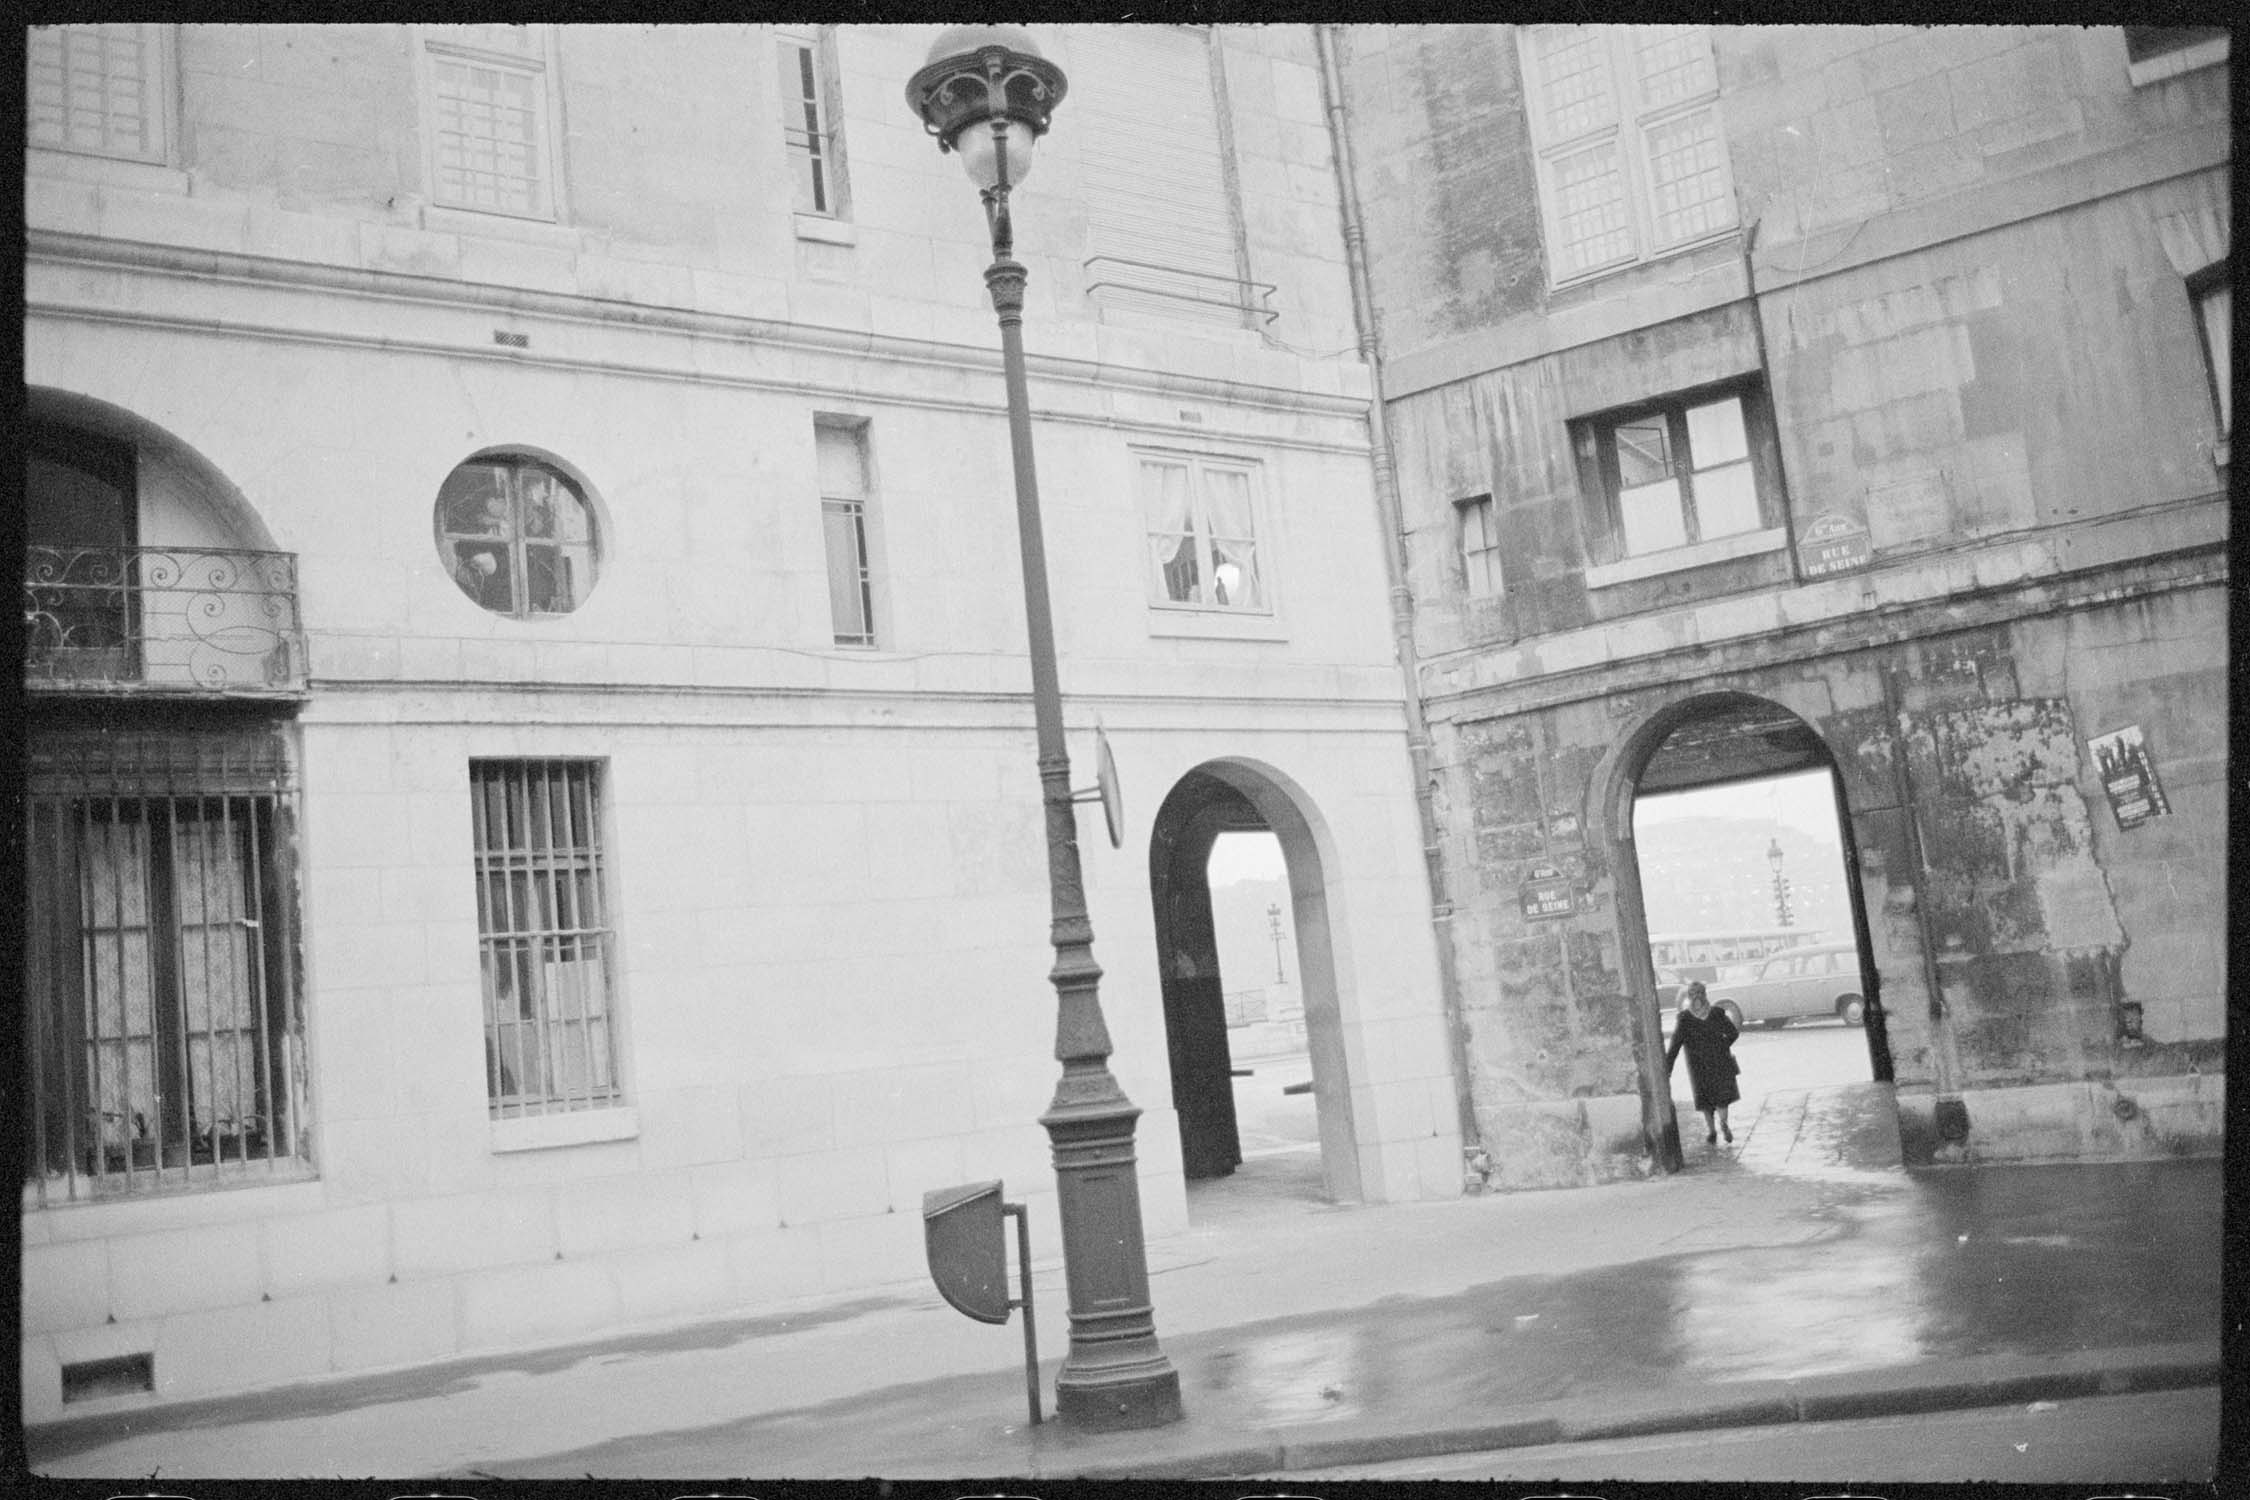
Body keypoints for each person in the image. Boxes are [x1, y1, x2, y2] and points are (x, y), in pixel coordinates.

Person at [1665, 981, 1741, 1145]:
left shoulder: (1685, 1019)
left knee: (1705, 1100)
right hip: (1719, 1062)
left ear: (1689, 998)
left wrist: (1667, 1067)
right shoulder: (1716, 1013)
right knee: (1721, 1097)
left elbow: (1675, 1045)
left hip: (1698, 1066)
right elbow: (1733, 1033)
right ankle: (1724, 1122)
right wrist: (1722, 1046)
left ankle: (1712, 1130)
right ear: (1705, 995)